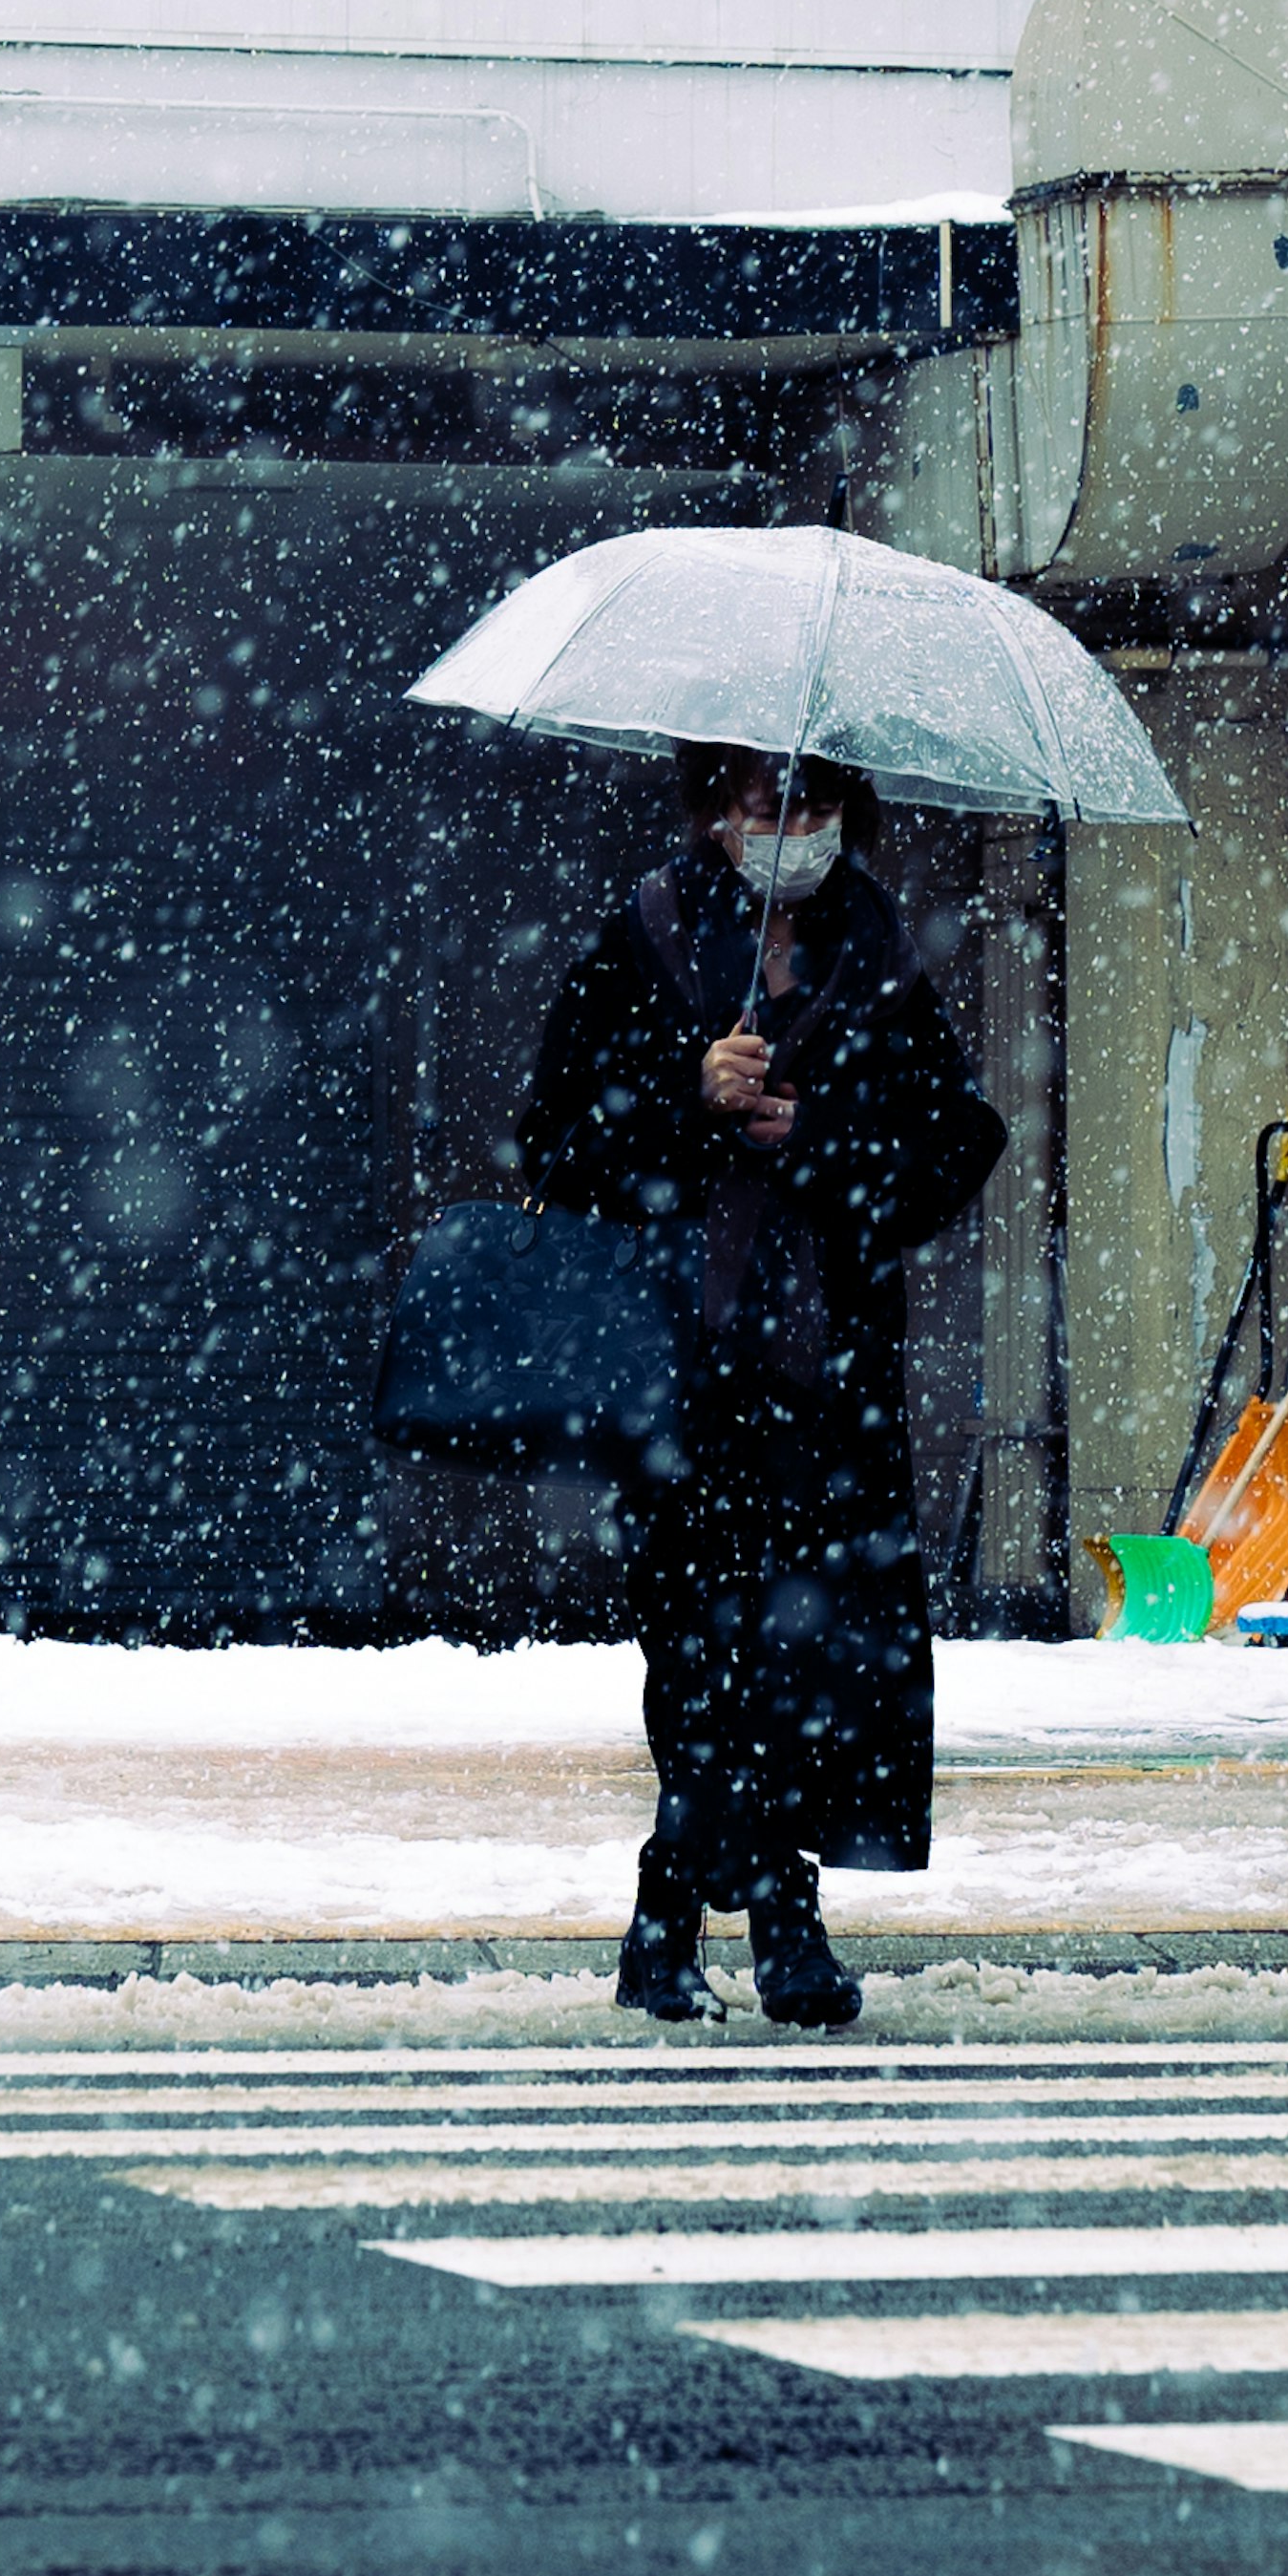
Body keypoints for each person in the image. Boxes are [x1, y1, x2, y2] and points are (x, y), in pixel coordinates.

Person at [515, 744, 1004, 2030]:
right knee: (694, 1651)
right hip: (677, 1371)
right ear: (717, 814)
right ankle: (668, 1922)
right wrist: (687, 1093)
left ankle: (778, 1927)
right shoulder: (649, 937)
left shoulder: (877, 952)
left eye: (819, 802)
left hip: (826, 1380)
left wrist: (826, 1132)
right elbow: (557, 1144)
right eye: (762, 801)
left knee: (806, 1657)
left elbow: (961, 1135)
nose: (792, 826)